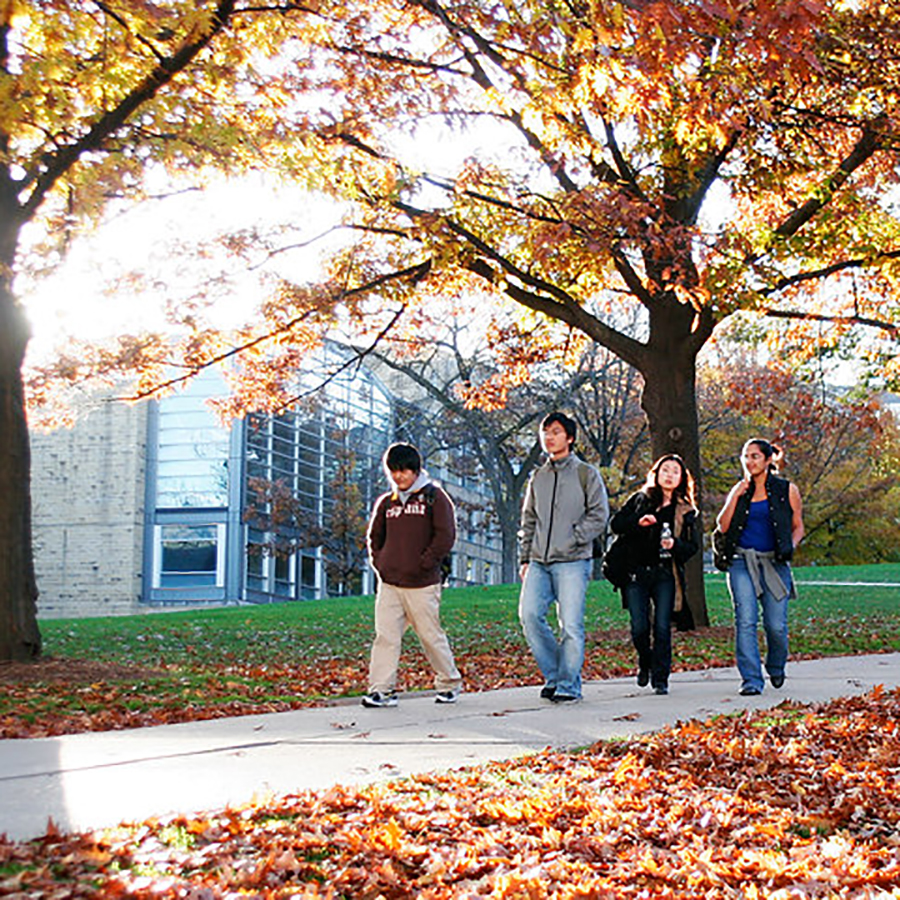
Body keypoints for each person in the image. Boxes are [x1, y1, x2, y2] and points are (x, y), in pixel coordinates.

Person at [361, 442, 463, 708]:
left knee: (430, 635)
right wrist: (381, 565)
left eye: (404, 471)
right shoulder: (386, 503)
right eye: (393, 471)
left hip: (422, 584)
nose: (399, 476)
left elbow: (445, 536)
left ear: (416, 470)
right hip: (390, 584)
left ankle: (449, 683)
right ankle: (381, 690)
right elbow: (374, 538)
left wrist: (425, 563)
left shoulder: (434, 498)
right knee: (385, 637)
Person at [518, 412, 609, 703]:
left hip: (573, 560)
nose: (549, 437)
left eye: (555, 432)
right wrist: (524, 558)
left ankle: (569, 685)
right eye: (545, 432)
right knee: (529, 616)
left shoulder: (586, 473)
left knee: (570, 625)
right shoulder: (538, 477)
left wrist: (575, 538)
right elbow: (529, 519)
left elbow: (599, 515)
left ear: (569, 438)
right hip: (538, 561)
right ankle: (555, 675)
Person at [715, 438, 805, 696]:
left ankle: (776, 665)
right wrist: (735, 495)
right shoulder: (739, 490)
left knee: (776, 626)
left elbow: (798, 526)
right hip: (741, 561)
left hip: (774, 563)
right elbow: (722, 526)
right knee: (745, 620)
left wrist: (791, 546)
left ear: (767, 460)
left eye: (755, 456)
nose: (749, 461)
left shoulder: (787, 490)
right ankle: (751, 680)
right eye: (746, 456)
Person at [608, 455, 700, 695]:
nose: (669, 475)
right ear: (656, 473)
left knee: (661, 627)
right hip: (636, 573)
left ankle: (661, 678)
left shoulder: (685, 510)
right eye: (665, 470)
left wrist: (674, 545)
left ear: (681, 479)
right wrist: (639, 522)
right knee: (639, 628)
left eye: (675, 471)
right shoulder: (640, 499)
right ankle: (645, 661)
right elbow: (616, 524)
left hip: (665, 574)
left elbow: (692, 547)